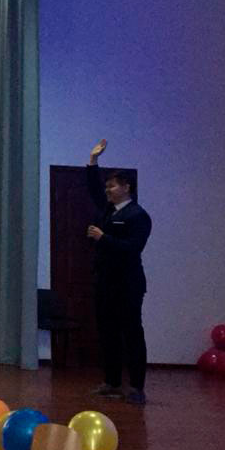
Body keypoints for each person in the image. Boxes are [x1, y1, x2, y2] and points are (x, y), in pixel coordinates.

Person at [86, 138, 152, 405]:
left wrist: (103, 238)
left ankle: (137, 387)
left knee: (132, 333)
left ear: (126, 187)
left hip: (128, 285)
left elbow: (133, 247)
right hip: (105, 283)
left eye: (112, 186)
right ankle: (111, 382)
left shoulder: (138, 215)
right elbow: (93, 190)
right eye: (107, 186)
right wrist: (93, 161)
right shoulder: (109, 211)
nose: (108, 190)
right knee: (108, 333)